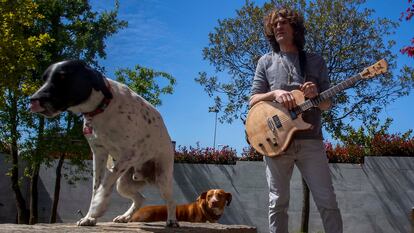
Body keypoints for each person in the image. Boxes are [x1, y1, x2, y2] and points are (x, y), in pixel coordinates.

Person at [249, 7, 343, 233]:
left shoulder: (315, 61)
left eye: (283, 22)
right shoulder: (266, 61)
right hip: (276, 143)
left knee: (327, 201)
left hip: (311, 141)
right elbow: (253, 100)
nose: (278, 26)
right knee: (277, 203)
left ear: (295, 28)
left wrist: (315, 94)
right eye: (275, 24)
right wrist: (275, 93)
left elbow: (327, 104)